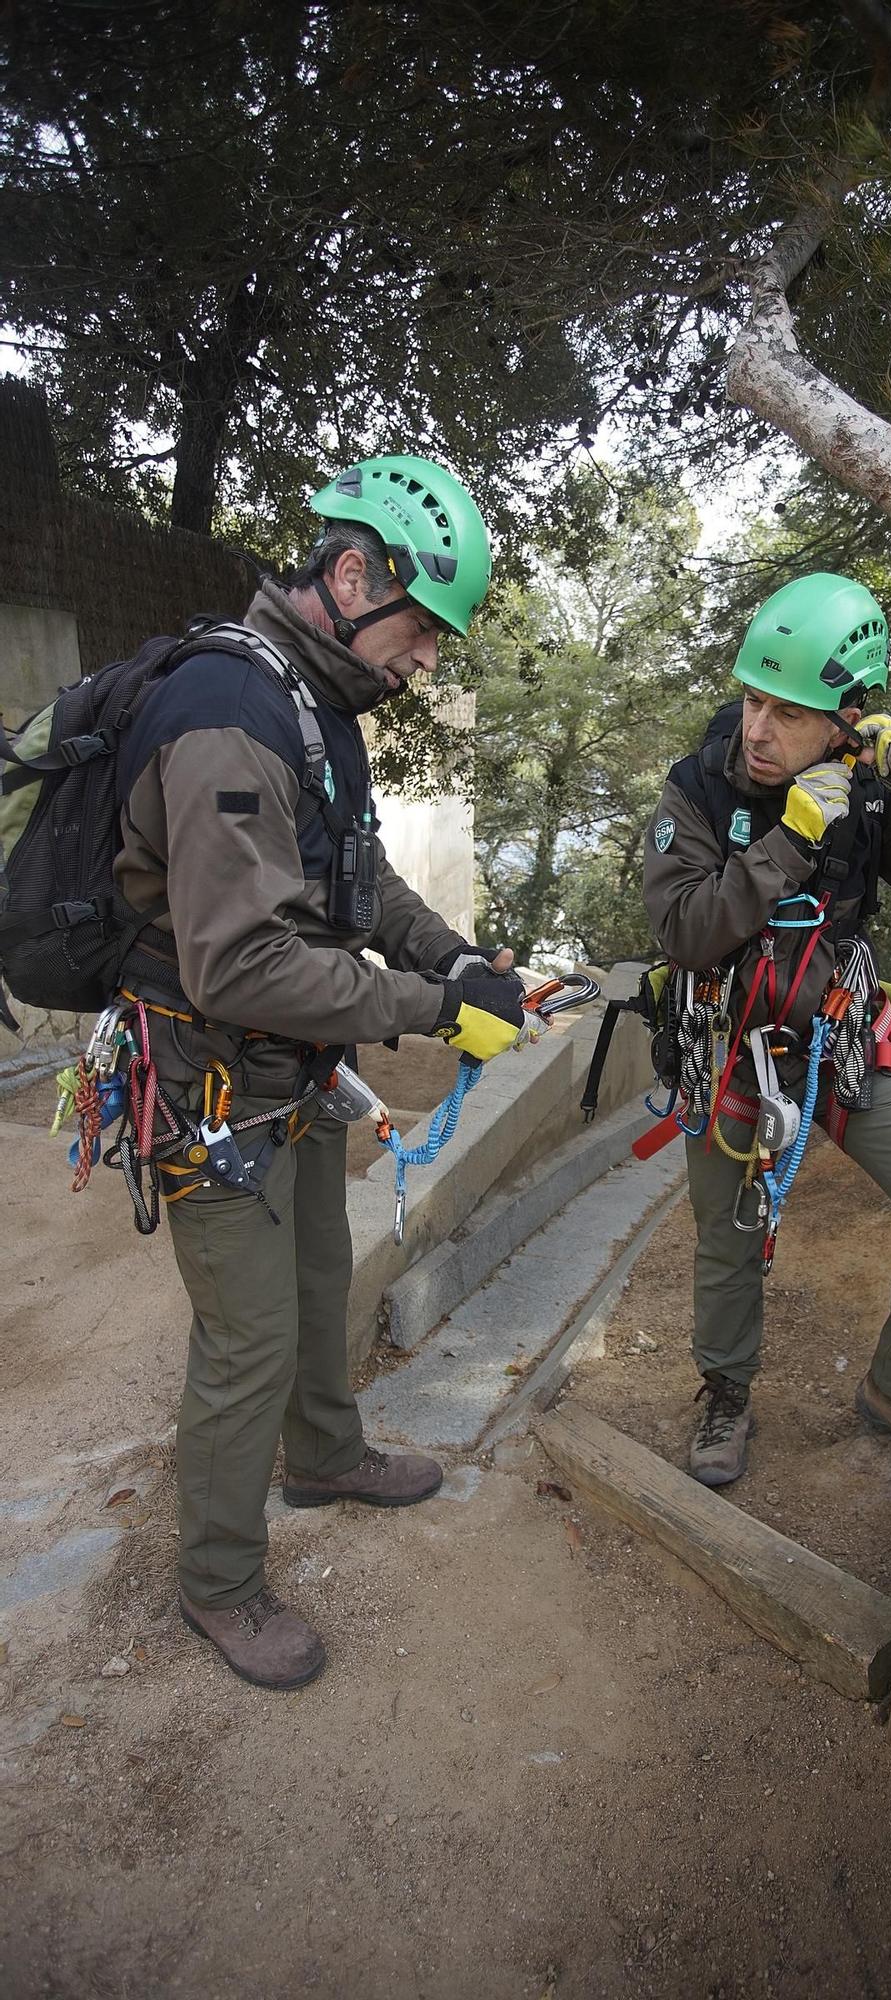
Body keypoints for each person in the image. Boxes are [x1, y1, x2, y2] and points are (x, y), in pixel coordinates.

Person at [115, 454, 527, 1689]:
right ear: (351, 575)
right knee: (246, 1337)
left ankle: (328, 1453)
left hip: (284, 1079)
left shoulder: (309, 706)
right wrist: (429, 1008)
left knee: (319, 1270)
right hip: (209, 1080)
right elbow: (240, 962)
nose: (427, 661)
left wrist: (451, 955)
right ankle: (220, 1580)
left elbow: (359, 876)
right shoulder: (226, 713)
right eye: (421, 629)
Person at [642, 573, 891, 1491]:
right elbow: (688, 930)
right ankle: (725, 1393)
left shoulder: (872, 793)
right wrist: (788, 840)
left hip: (837, 1037)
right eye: (751, 699)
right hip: (725, 1039)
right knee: (729, 1233)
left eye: (789, 711)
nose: (758, 729)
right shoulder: (697, 788)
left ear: (846, 719)